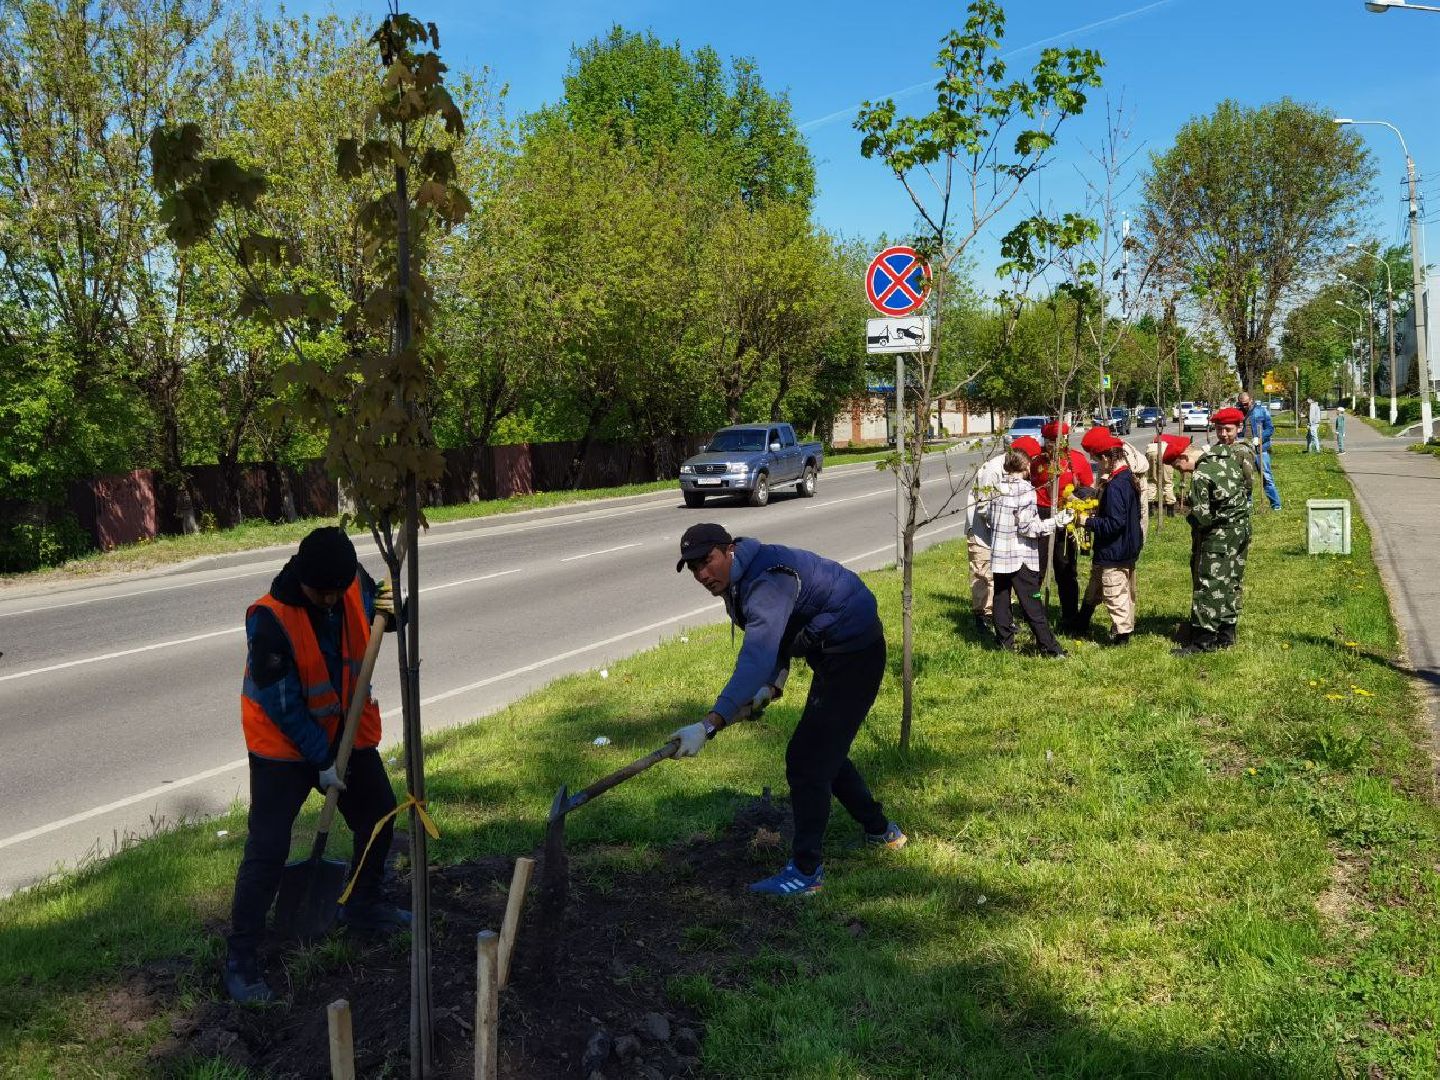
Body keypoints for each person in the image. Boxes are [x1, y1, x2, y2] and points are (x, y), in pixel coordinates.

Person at [671, 524, 904, 898]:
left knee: (807, 760)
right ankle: (881, 831)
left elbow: (756, 654)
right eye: (693, 567)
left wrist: (709, 724)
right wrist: (772, 686)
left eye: (706, 561)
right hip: (830, 649)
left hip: (855, 650)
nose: (701, 574)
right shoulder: (737, 580)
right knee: (825, 750)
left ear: (728, 550)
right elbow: (776, 633)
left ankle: (806, 872)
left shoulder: (767, 580)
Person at [225, 527, 406, 1003]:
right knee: (267, 849)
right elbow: (283, 705)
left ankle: (362, 904)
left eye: (336, 591)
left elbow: (382, 613)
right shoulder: (270, 620)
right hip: (283, 750)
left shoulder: (351, 580)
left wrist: (395, 612)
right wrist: (322, 760)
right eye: (320, 593)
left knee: (379, 817)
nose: (329, 600)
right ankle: (241, 958)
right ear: (302, 577)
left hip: (347, 734)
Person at [1171, 408, 1252, 655]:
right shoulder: (1224, 457)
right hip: (1241, 529)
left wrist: (1190, 517)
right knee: (1231, 580)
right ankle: (1227, 633)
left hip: (1219, 535)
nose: (1181, 471)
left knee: (1210, 583)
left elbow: (1204, 517)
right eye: (1220, 429)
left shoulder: (1205, 470)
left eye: (1178, 466)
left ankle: (1202, 639)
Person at [986, 449, 1074, 657]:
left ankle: (1005, 643)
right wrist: (1057, 522)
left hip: (1000, 553)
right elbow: (1028, 527)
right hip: (1020, 555)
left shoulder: (996, 488)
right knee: (1032, 603)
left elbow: (989, 518)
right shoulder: (1025, 490)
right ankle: (1050, 648)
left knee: (1001, 598)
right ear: (1026, 466)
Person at [1076, 428, 1143, 645]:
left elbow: (1115, 523)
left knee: (1115, 592)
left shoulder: (1116, 486)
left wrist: (1087, 521)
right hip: (1126, 546)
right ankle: (1080, 623)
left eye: (1097, 460)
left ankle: (1122, 636)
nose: (1097, 465)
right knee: (1096, 585)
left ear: (1106, 458)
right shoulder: (1126, 477)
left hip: (1115, 549)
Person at [1032, 421, 1094, 630]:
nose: (1055, 445)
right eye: (1050, 441)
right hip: (1041, 515)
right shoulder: (1037, 462)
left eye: (1060, 440)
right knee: (1036, 569)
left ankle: (1069, 615)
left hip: (1067, 517)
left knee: (1066, 569)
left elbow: (1088, 488)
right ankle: (1033, 612)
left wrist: (1074, 500)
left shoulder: (1076, 459)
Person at [965, 444, 1010, 638]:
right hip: (982, 531)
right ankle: (981, 615)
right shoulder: (992, 470)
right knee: (982, 573)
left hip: (1000, 531)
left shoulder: (1011, 469)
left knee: (996, 574)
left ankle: (997, 615)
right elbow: (984, 508)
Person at [1238, 391, 1281, 510]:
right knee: (1246, 478)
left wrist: (1260, 439)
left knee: (1266, 477)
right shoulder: (1238, 412)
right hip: (1244, 450)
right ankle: (1248, 502)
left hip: (1260, 450)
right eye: (1242, 404)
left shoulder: (1261, 411)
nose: (1244, 406)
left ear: (1251, 400)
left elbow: (1270, 428)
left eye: (1246, 404)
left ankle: (1276, 504)